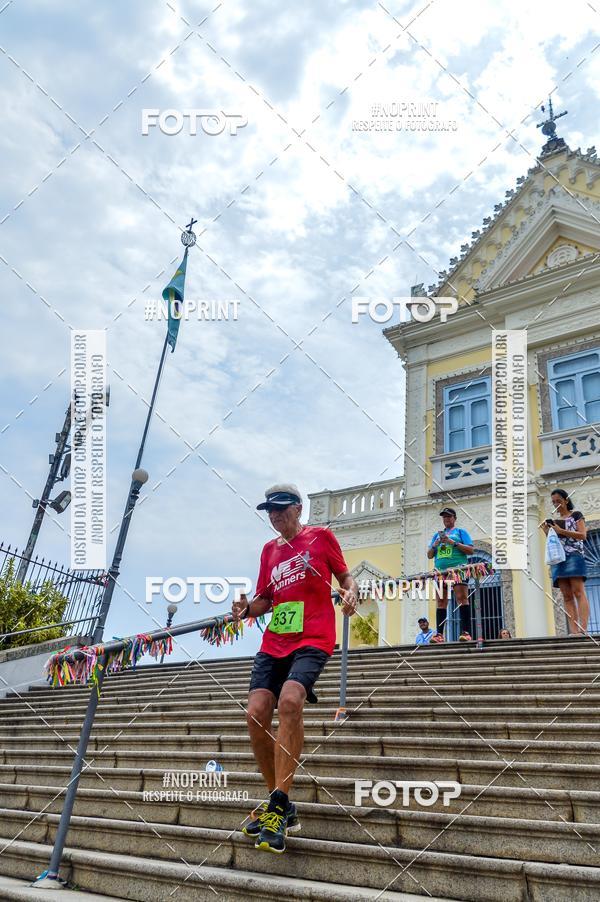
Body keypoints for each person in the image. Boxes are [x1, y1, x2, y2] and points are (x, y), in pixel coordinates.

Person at [232, 483, 358, 853]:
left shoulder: (321, 537)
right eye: (269, 511)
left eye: (281, 508)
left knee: (290, 701)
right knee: (255, 713)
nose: (274, 515)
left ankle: (274, 808)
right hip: (275, 640)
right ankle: (280, 802)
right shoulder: (269, 551)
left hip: (313, 636)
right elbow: (265, 600)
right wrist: (245, 609)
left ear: (298, 508)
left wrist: (350, 592)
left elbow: (345, 577)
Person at [541, 489, 590, 635]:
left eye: (558, 501)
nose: (556, 504)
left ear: (566, 500)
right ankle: (574, 630)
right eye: (553, 502)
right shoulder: (555, 521)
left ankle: (583, 628)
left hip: (574, 555)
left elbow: (582, 535)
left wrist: (560, 530)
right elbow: (553, 542)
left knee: (578, 591)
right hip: (558, 559)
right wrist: (547, 531)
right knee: (567, 595)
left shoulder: (576, 515)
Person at [427, 508, 474, 641]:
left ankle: (466, 632)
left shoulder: (460, 532)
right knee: (441, 601)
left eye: (449, 517)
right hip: (441, 572)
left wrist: (452, 543)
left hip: (458, 570)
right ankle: (440, 634)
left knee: (461, 598)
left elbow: (471, 550)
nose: (446, 519)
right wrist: (435, 545)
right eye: (444, 517)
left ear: (454, 518)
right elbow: (429, 555)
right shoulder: (436, 536)